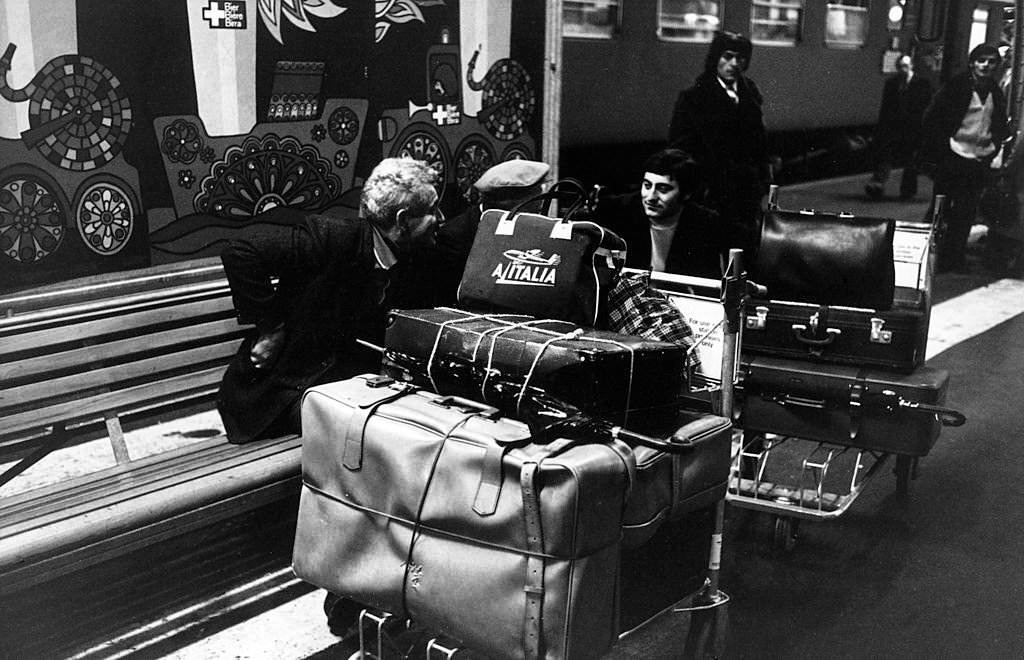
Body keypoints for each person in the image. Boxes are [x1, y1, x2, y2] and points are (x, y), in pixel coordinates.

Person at [216, 157, 443, 444]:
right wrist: (271, 329)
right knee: (375, 436)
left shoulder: (412, 257)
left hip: (344, 389)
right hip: (286, 392)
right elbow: (240, 254)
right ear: (401, 221)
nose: (440, 219)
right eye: (432, 210)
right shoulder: (332, 239)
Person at [668, 30, 770, 258]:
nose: (734, 64)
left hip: (746, 196)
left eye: (741, 58)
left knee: (745, 255)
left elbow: (760, 144)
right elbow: (679, 150)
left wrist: (761, 180)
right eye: (728, 56)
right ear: (715, 58)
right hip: (710, 196)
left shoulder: (751, 95)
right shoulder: (693, 99)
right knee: (709, 257)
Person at [919, 43, 1008, 272]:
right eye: (981, 61)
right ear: (972, 63)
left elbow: (997, 124)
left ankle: (954, 259)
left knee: (966, 211)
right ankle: (927, 257)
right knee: (940, 208)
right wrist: (936, 153)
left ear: (996, 66)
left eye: (991, 62)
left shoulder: (995, 92)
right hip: (953, 156)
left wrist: (994, 147)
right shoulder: (957, 86)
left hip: (979, 159)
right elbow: (933, 117)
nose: (986, 65)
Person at [425, 159, 550, 306]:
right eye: (534, 208)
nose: (538, 214)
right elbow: (448, 298)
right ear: (508, 204)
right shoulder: (455, 237)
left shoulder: (526, 227)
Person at [594, 147, 724, 278]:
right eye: (647, 185)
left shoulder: (707, 223)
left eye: (663, 189)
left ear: (686, 194)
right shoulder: (619, 210)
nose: (651, 197)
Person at [864, 53, 934, 200]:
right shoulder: (891, 83)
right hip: (894, 127)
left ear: (912, 66)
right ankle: (878, 184)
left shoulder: (923, 84)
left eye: (906, 66)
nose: (903, 69)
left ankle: (907, 191)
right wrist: (881, 127)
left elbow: (927, 106)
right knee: (886, 154)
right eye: (901, 66)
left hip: (913, 128)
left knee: (911, 161)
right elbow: (885, 107)